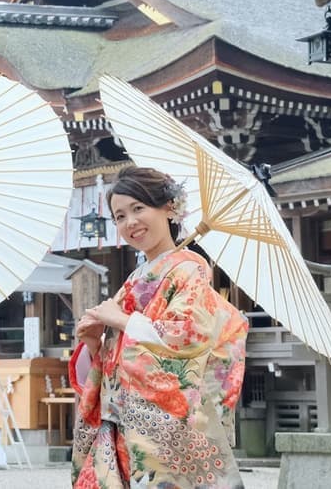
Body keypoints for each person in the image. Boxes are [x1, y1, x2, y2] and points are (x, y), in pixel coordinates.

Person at [69, 168, 248, 489]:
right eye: (120, 216)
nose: (130, 222)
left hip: (162, 427)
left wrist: (121, 320)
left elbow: (187, 336)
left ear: (169, 208)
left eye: (138, 208)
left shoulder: (189, 268)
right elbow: (117, 359)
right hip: (123, 419)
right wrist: (95, 342)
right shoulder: (136, 278)